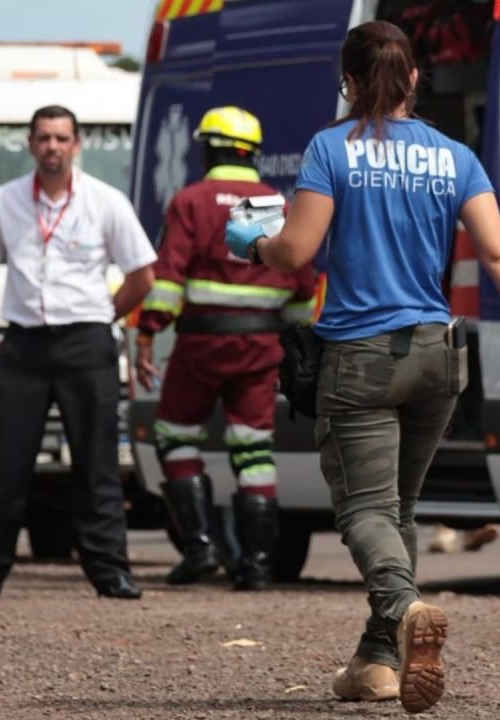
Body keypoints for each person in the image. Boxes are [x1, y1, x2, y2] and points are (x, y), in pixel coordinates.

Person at [225, 21, 500, 714]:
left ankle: (408, 610)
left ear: (349, 82)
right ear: (415, 78)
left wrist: (252, 244)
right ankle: (379, 662)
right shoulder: (453, 157)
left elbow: (296, 253)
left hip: (360, 356)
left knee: (362, 509)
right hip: (436, 355)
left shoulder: (333, 149)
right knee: (399, 511)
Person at [0, 105, 157, 601]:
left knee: (97, 462)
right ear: (30, 144)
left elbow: (142, 276)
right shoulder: (4, 201)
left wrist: (103, 317)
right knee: (4, 462)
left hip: (85, 341)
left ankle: (110, 570)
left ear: (76, 145)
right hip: (22, 344)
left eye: (62, 138)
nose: (52, 146)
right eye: (44, 138)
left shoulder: (105, 201)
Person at [135, 106, 316, 592]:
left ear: (208, 148)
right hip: (261, 347)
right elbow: (301, 281)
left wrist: (148, 331)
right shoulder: (275, 204)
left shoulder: (192, 201)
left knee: (175, 436)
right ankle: (256, 566)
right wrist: (300, 342)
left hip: (201, 343)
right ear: (252, 153)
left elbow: (169, 275)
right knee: (254, 448)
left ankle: (199, 548)